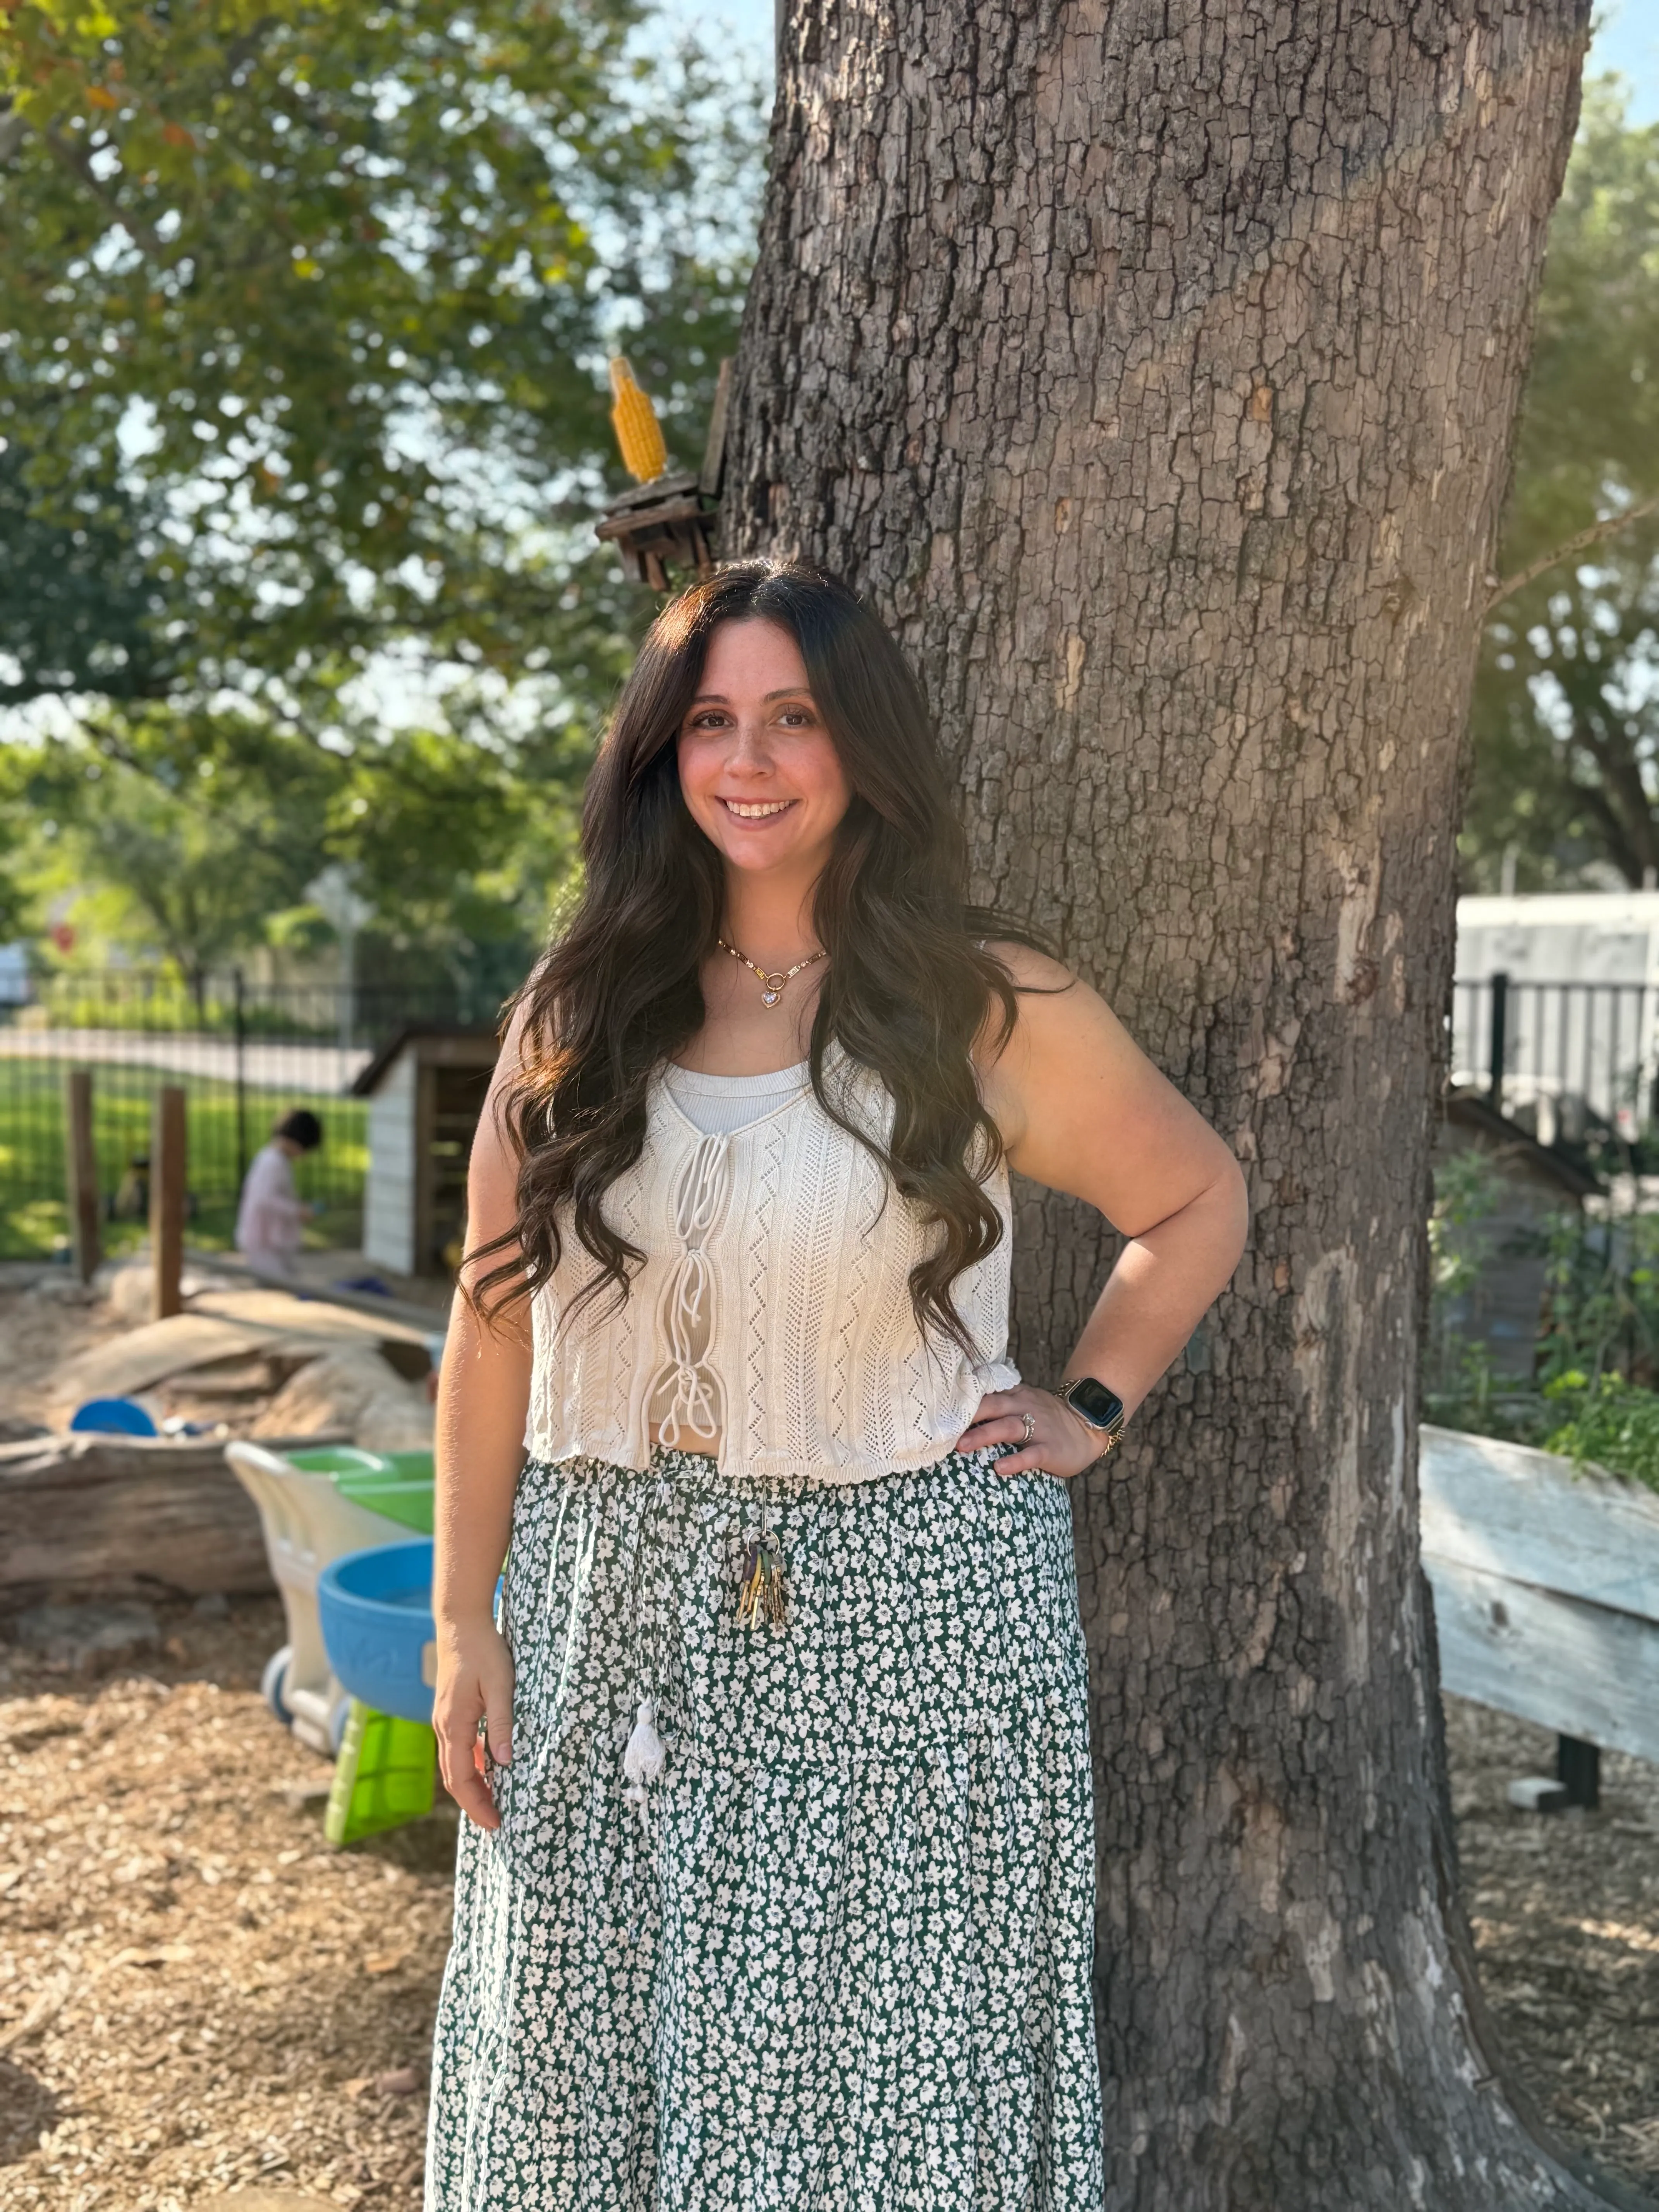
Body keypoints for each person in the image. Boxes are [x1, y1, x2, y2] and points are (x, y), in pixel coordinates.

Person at [426, 560, 1249, 2207]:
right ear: (658, 754)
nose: (746, 760)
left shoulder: (979, 1004)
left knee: (864, 2076)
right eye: (708, 721)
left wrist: (1088, 1408)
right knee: (572, 2037)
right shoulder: (579, 1012)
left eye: (791, 718)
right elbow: (491, 1320)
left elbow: (1193, 1198)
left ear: (862, 745)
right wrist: (463, 1613)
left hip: (908, 1624)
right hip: (603, 1605)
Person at [234, 1108, 321, 1279]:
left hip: (273, 1240)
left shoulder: (276, 1159)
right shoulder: (273, 1162)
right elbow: (264, 1199)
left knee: (287, 1280)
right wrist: (297, 1211)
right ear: (295, 1141)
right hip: (263, 1240)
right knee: (280, 1284)